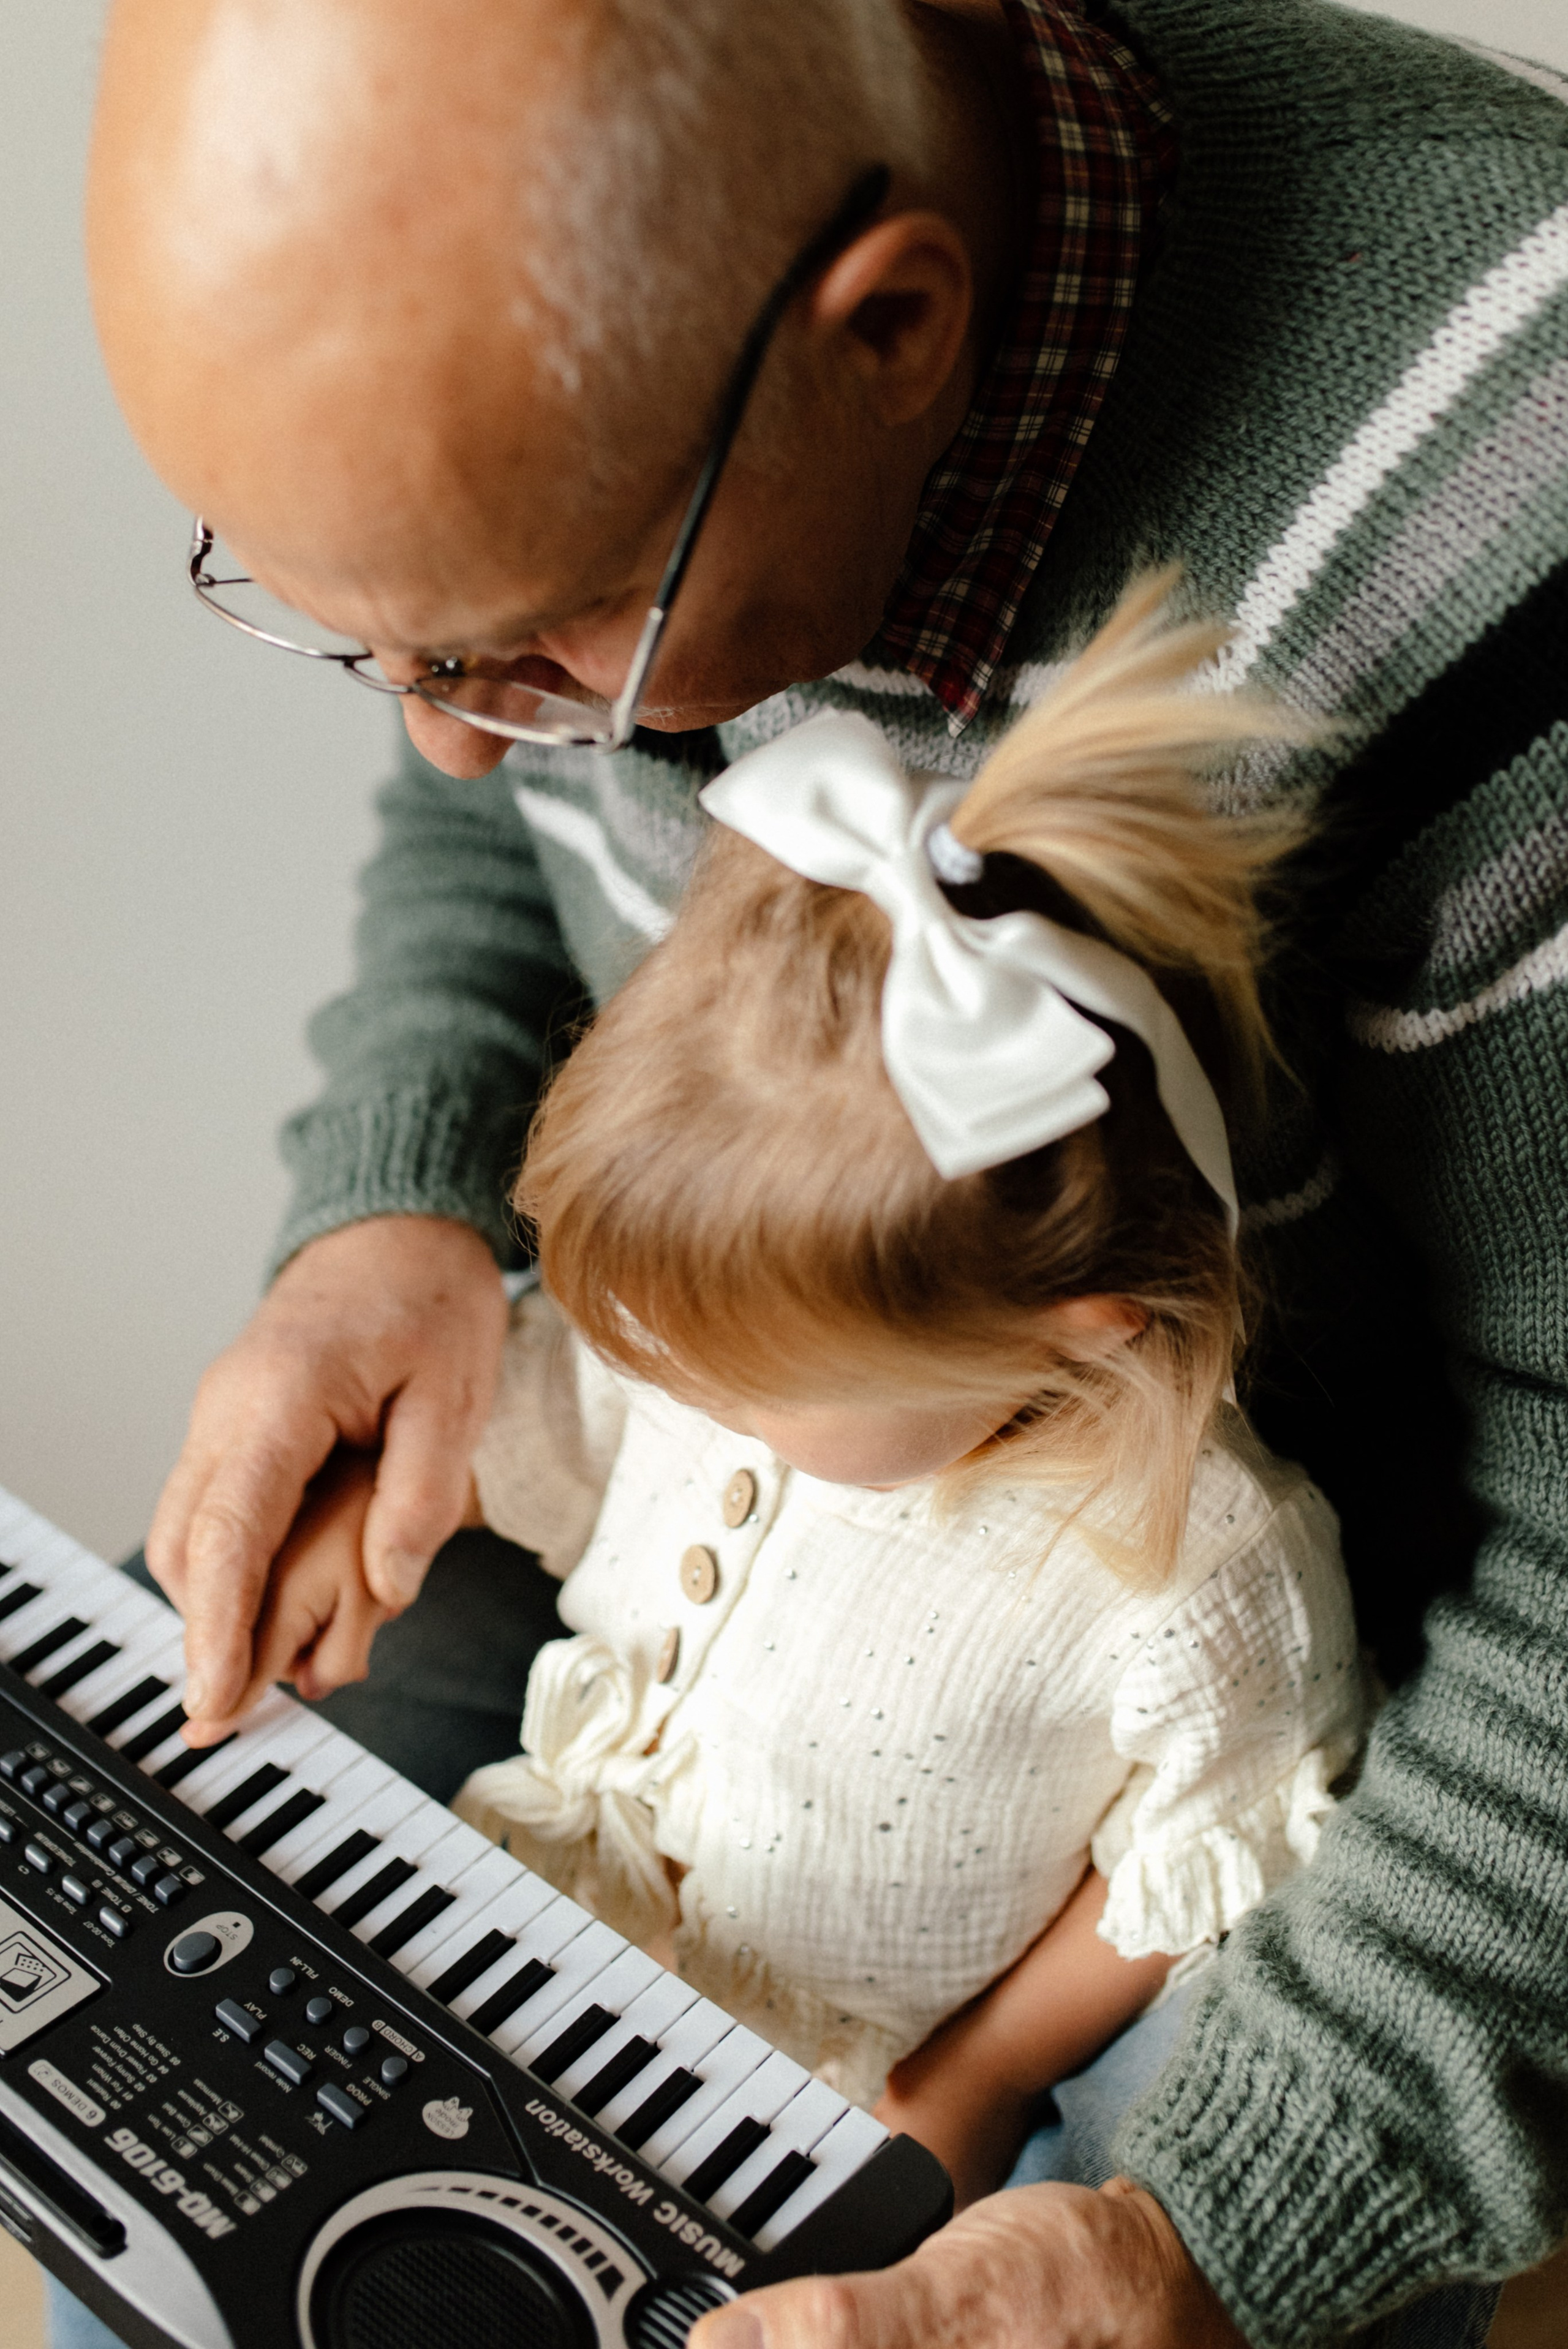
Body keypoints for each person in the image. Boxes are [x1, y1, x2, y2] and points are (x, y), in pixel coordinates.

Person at [74, 0, 1567, 2342]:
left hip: (1388, 1687)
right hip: (718, 1387)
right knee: (187, 2125)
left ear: (893, 336)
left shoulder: (1514, 487)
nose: (451, 749)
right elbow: (490, 792)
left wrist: (1208, 2225)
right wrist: (397, 1201)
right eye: (362, 635)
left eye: (523, 642)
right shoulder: (588, 518)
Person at [251, 581, 1367, 2206]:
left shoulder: (1194, 1566)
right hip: (548, 1959)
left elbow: (1195, 1850)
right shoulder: (718, 1351)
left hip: (825, 2103)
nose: (678, 1390)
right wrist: (359, 1522)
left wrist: (980, 2074)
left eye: (749, 1387)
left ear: (1074, 1331)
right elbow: (536, 1426)